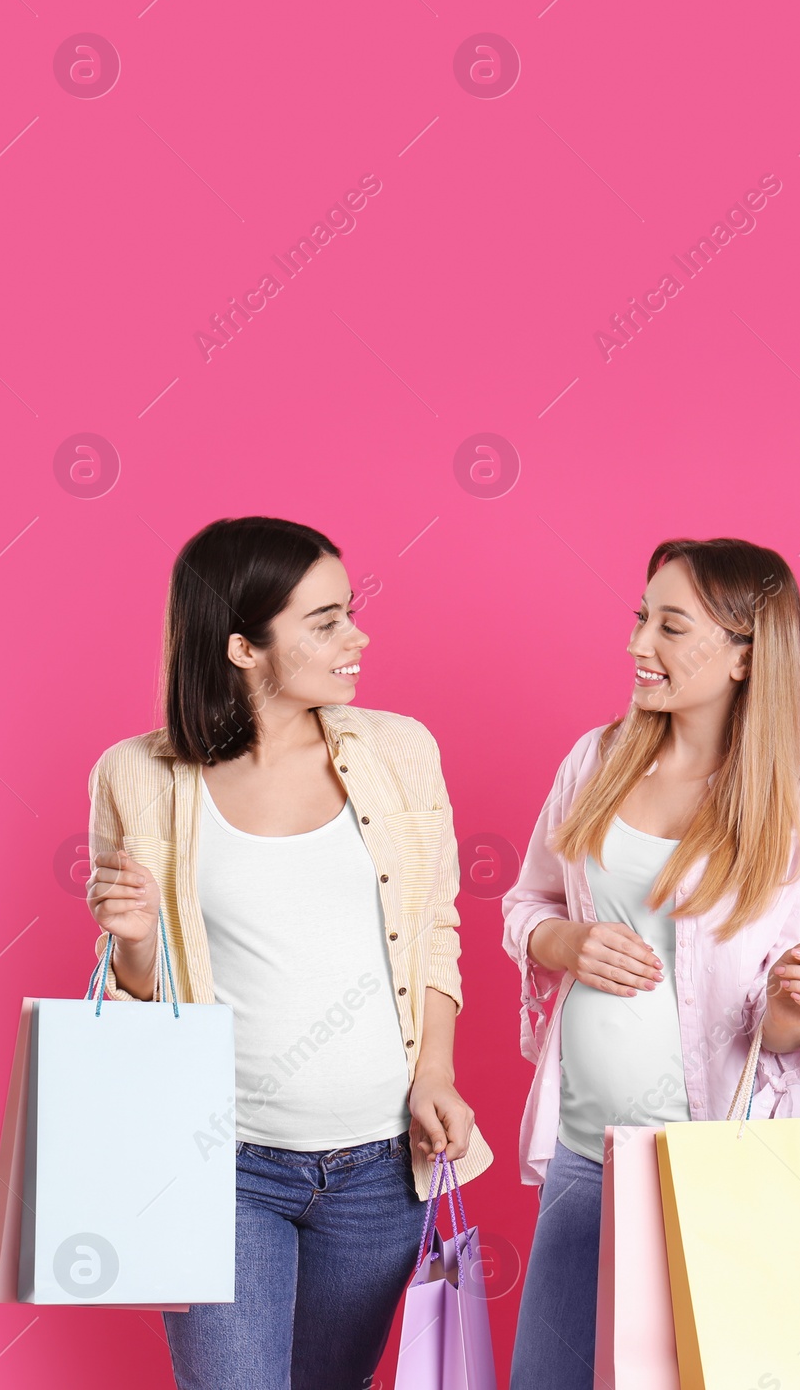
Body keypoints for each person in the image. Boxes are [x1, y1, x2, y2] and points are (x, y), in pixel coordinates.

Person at [85, 515, 488, 1390]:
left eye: (350, 612)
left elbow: (437, 929)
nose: (357, 636)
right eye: (326, 620)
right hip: (221, 1165)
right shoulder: (137, 776)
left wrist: (436, 1073)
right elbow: (139, 1009)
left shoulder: (400, 751)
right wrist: (134, 947)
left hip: (381, 1170)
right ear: (241, 646)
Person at [501, 537, 800, 1390]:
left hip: (720, 1167)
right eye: (639, 617)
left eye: (670, 625)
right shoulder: (596, 759)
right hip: (588, 1150)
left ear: (744, 654)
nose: (637, 645)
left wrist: (794, 1008)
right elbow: (527, 905)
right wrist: (565, 942)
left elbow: (788, 1032)